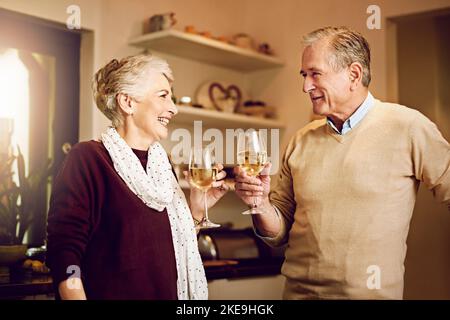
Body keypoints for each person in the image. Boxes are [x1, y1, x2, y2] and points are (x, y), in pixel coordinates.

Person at [234, 26, 450, 299]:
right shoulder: (301, 140)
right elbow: (278, 231)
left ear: (354, 74)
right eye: (304, 75)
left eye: (315, 74)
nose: (305, 86)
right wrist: (260, 203)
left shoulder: (408, 127)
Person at [46, 54, 228, 300]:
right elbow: (64, 254)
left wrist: (195, 211)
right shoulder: (88, 159)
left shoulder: (162, 165)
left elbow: (168, 246)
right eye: (163, 96)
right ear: (128, 102)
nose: (173, 108)